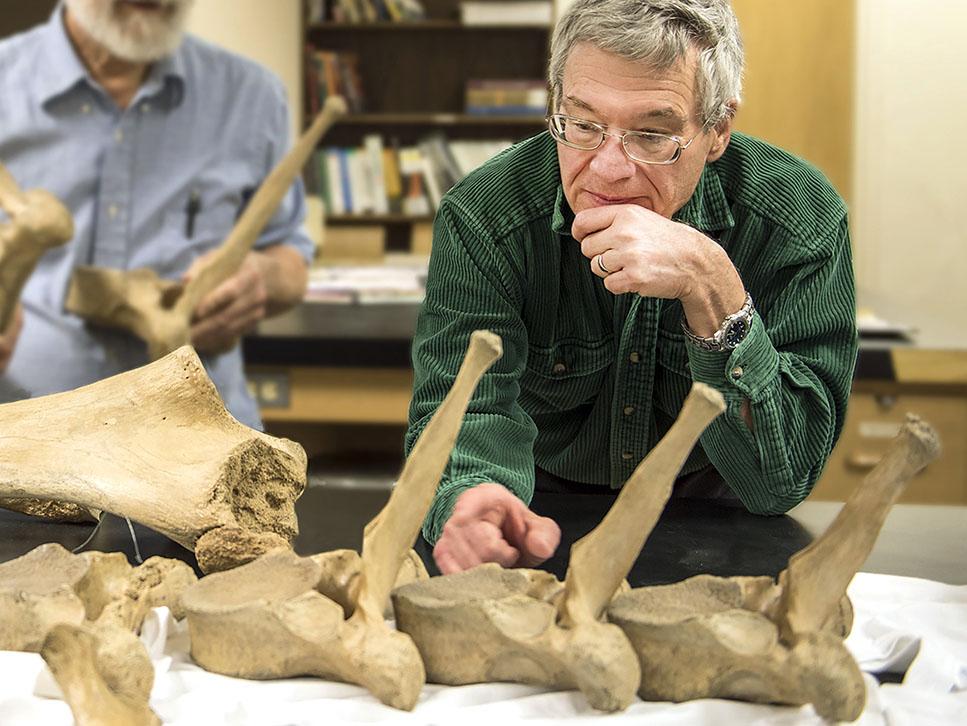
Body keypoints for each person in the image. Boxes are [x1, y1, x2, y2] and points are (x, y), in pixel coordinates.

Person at [407, 0, 858, 575]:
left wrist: (712, 288)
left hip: (717, 525)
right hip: (538, 515)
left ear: (717, 131)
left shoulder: (799, 218)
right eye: (584, 125)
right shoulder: (485, 215)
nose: (607, 169)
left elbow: (780, 481)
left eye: (651, 134)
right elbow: (469, 409)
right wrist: (472, 499)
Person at [0, 0, 313, 429]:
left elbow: (291, 257)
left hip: (200, 450)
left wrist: (262, 277)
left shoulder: (252, 96)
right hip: (23, 452)